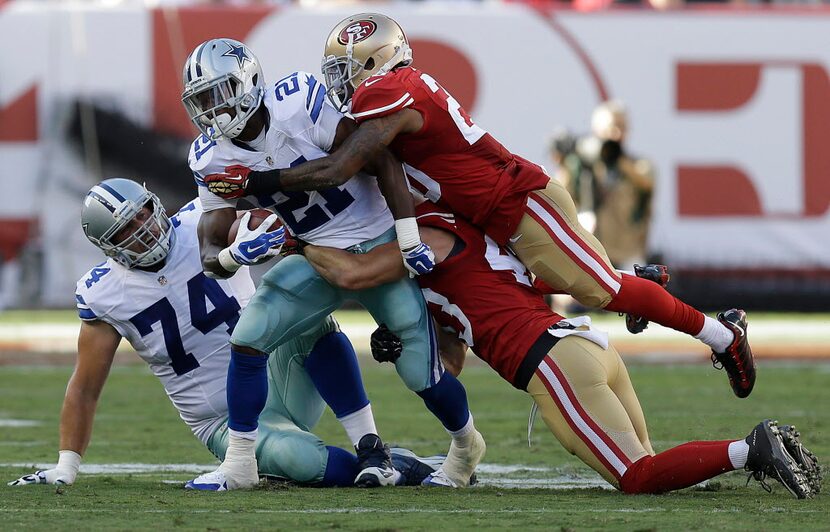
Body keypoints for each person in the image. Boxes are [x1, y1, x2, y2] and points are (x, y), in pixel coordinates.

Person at [201, 14, 755, 400]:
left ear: (378, 63)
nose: (340, 82)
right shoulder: (386, 92)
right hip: (471, 212)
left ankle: (722, 334)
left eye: (348, 70)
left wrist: (256, 179)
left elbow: (340, 166)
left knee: (597, 291)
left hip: (517, 204)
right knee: (486, 286)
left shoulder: (392, 91)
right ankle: (638, 279)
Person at [300, 199, 821, 498]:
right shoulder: (463, 242)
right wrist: (410, 342)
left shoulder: (427, 240)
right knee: (651, 468)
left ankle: (752, 448)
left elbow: (353, 270)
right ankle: (750, 444)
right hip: (586, 347)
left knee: (635, 478)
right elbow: (453, 361)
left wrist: (291, 235)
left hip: (554, 366)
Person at [180, 39, 483, 490]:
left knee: (419, 370)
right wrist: (228, 256)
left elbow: (377, 157)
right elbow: (209, 246)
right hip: (315, 253)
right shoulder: (210, 156)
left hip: (375, 240)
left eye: (219, 94)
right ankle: (242, 462)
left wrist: (406, 234)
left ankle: (464, 445)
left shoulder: (296, 100)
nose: (211, 110)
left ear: (247, 82)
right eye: (201, 101)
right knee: (249, 337)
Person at [7, 179, 437, 490]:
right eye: (128, 232)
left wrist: (247, 243)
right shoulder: (103, 293)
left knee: (305, 315)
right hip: (224, 420)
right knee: (300, 461)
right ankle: (401, 467)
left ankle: (370, 445)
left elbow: (273, 231)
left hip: (278, 372)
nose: (146, 230)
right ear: (111, 248)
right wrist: (66, 467)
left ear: (156, 204)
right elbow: (84, 388)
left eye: (144, 216)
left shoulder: (199, 219)